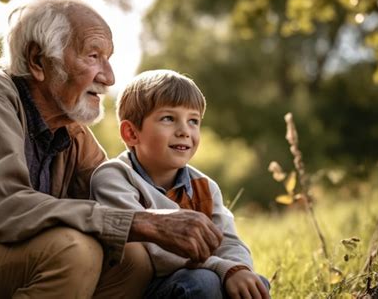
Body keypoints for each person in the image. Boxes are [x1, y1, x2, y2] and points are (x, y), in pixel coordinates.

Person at [0, 0, 223, 298]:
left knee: (133, 257)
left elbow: (123, 195)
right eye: (93, 56)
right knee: (73, 249)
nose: (109, 77)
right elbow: (4, 206)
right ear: (38, 60)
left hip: (1, 266)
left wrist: (220, 261)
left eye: (108, 59)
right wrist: (139, 221)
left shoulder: (72, 133)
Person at [90, 69, 271, 299]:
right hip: (141, 287)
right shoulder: (114, 177)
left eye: (193, 121)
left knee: (254, 284)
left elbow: (229, 242)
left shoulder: (204, 186)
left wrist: (238, 269)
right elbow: (154, 252)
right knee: (204, 282)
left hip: (194, 278)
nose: (185, 131)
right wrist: (221, 268)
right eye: (168, 118)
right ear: (131, 133)